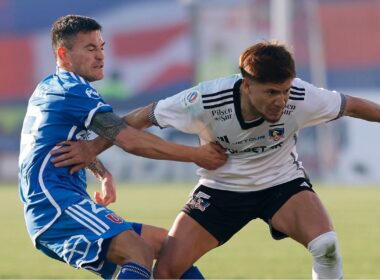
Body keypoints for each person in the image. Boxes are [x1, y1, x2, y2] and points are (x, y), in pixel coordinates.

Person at [52, 40, 380, 280]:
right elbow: (144, 116)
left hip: (282, 184)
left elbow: (351, 105)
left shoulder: (302, 96)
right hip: (220, 190)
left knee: (326, 244)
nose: (281, 101)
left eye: (284, 90)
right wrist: (93, 148)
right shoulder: (206, 99)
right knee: (166, 271)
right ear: (246, 85)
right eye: (271, 93)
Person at [18, 14, 227, 279]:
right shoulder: (73, 90)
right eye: (90, 48)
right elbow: (127, 138)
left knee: (169, 248)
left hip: (58, 205)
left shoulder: (51, 86)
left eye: (102, 47)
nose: (101, 56)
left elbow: (71, 145)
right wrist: (196, 155)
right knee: (137, 251)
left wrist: (102, 173)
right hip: (56, 207)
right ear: (64, 54)